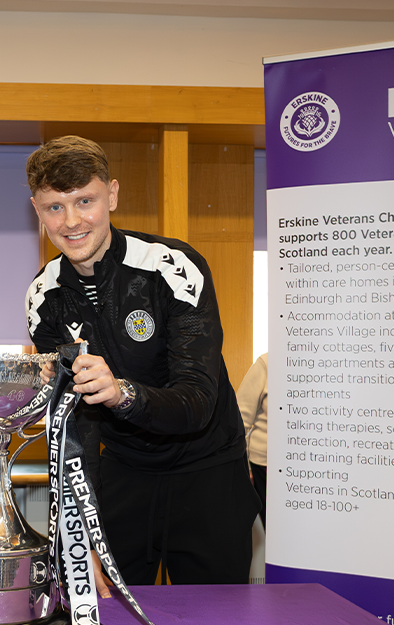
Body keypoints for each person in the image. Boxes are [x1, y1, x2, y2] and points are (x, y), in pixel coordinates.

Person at [23, 136, 259, 587]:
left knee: (216, 623)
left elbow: (199, 398)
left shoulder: (174, 266)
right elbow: (75, 425)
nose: (71, 221)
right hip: (125, 471)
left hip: (207, 469)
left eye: (85, 201)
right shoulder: (44, 298)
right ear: (37, 209)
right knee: (113, 620)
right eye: (55, 207)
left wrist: (122, 394)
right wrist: (81, 531)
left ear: (111, 194)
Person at [237, 353, 268, 527]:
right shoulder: (266, 363)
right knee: (277, 532)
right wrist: (245, 467)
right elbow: (240, 419)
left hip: (313, 467)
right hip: (264, 466)